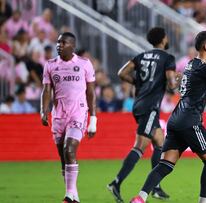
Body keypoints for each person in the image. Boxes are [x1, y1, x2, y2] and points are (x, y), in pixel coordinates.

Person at [130, 30, 206, 203]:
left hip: (176, 121)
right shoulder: (205, 67)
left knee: (165, 165)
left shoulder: (190, 65)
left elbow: (189, 93)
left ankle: (140, 198)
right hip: (190, 122)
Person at [107, 27, 177, 203]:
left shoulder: (141, 56)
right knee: (140, 146)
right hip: (150, 106)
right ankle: (116, 182)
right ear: (162, 39)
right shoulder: (168, 59)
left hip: (139, 103)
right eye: (166, 36)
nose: (167, 39)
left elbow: (122, 73)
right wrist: (175, 82)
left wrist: (138, 83)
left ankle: (157, 187)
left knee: (160, 142)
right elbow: (171, 84)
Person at [40, 32, 97, 203]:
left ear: (72, 45)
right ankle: (74, 196)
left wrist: (93, 119)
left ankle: (68, 196)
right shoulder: (50, 65)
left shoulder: (84, 64)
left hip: (78, 113)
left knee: (69, 150)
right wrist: (44, 111)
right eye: (58, 42)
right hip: (59, 116)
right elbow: (46, 90)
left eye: (63, 43)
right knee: (63, 157)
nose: (59, 45)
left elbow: (91, 92)